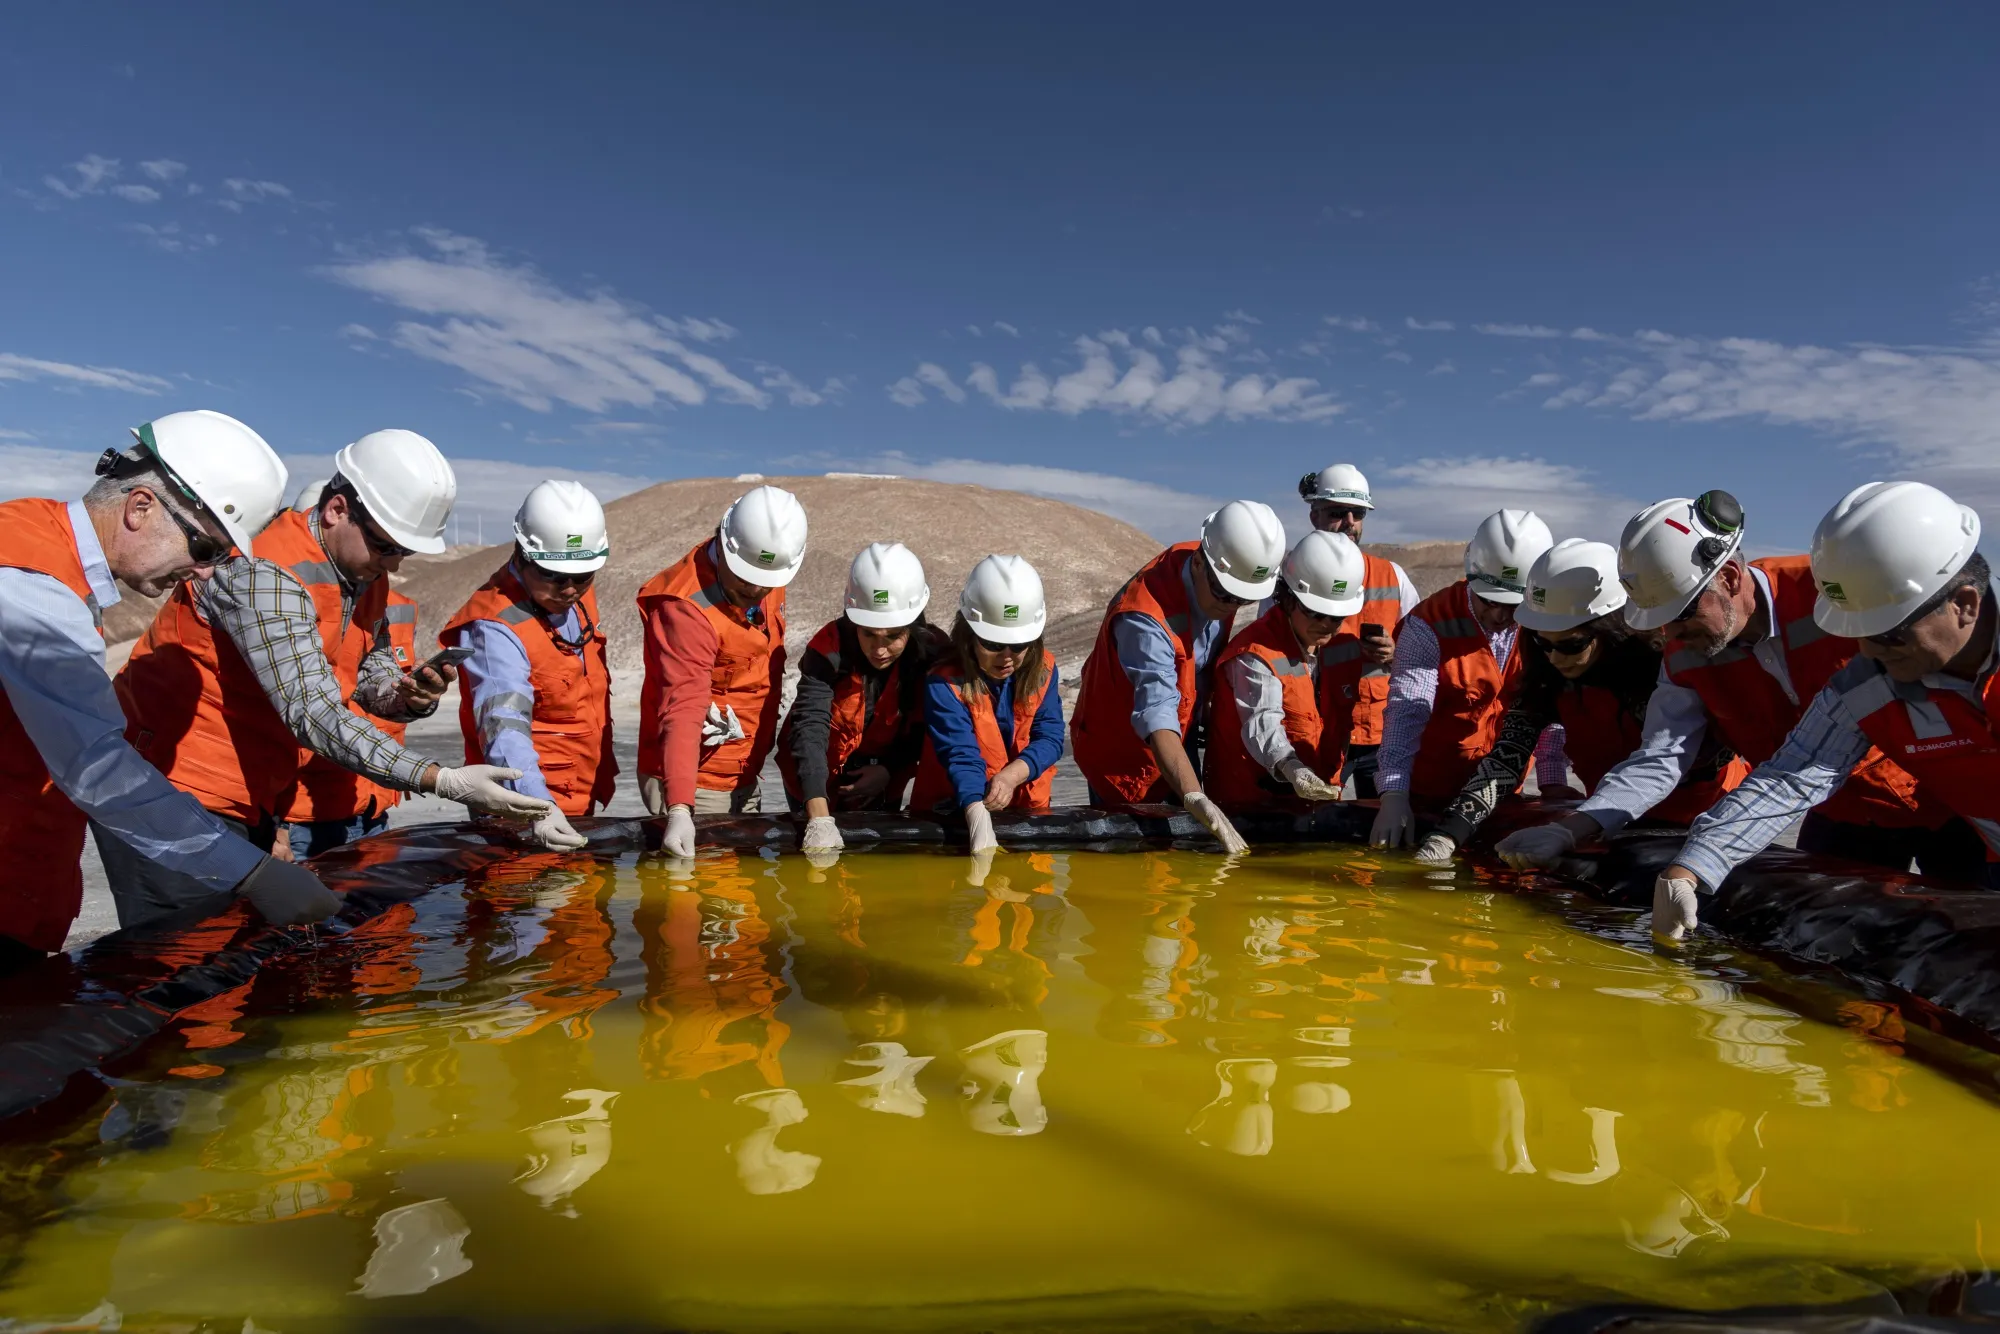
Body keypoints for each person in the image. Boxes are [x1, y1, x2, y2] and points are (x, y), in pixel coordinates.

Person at [113, 429, 552, 925]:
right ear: (336, 510)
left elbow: (368, 668)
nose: (394, 563)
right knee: (181, 951)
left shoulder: (364, 576)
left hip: (250, 793)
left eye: (404, 552)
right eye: (386, 546)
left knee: (241, 949)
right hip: (172, 785)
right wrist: (442, 779)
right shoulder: (262, 572)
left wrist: (404, 696)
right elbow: (312, 711)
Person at [0, 411, 346, 963]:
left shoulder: (40, 546)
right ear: (141, 507)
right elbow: (97, 768)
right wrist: (251, 874)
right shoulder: (31, 585)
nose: (206, 572)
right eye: (206, 548)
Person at [1489, 491, 1958, 881]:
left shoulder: (1835, 594)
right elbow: (1660, 757)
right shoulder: (1684, 653)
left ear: (1730, 577)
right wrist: (1572, 827)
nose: (1670, 634)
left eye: (1680, 615)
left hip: (1948, 801)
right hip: (1837, 814)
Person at [1651, 482, 1996, 941]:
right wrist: (1693, 866)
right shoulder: (1869, 680)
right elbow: (1794, 773)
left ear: (1965, 605)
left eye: (1887, 634)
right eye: (1857, 633)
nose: (1868, 652)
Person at [1412, 540, 1747, 865]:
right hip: (1609, 820)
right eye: (1543, 643)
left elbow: (1665, 760)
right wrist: (1449, 834)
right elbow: (1507, 757)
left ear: (1610, 629)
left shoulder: (1664, 673)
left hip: (1706, 819)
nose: (1556, 657)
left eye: (1571, 645)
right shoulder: (1547, 677)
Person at [1073, 500, 1287, 855]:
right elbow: (1156, 711)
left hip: (1178, 728)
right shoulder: (1144, 618)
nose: (1232, 607)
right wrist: (1194, 795)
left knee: (1184, 849)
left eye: (1243, 600)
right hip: (1119, 747)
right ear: (1200, 563)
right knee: (1130, 854)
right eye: (1226, 596)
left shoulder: (1224, 569)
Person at [441, 481, 618, 853]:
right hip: (524, 809)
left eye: (583, 577)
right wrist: (538, 808)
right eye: (554, 575)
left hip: (580, 791)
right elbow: (503, 727)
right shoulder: (494, 627)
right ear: (522, 555)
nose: (569, 589)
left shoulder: (574, 595)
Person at [638, 484, 806, 856]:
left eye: (767, 582)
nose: (757, 590)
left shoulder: (764, 572)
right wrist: (680, 807)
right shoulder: (684, 608)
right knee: (704, 880)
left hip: (743, 769)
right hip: (696, 779)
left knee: (741, 885)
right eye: (746, 580)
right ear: (726, 545)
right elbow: (682, 708)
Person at [1370, 508, 1554, 848]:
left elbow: (1551, 712)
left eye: (1513, 604)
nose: (1500, 614)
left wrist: (1553, 787)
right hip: (1430, 791)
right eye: (1489, 600)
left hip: (1499, 793)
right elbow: (1406, 712)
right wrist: (1394, 794)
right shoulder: (1429, 624)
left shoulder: (1544, 623)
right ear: (1471, 576)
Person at [783, 542, 942, 854]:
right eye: (868, 633)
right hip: (814, 776)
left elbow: (930, 728)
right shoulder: (828, 649)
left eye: (893, 636)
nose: (879, 650)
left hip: (885, 775)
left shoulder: (932, 654)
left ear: (913, 625)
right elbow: (809, 726)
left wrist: (889, 771)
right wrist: (819, 816)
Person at [1204, 530, 1371, 812]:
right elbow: (1262, 722)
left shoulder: (1342, 647)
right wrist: (1291, 767)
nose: (1327, 625)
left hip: (1317, 804)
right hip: (1252, 808)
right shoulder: (1256, 653)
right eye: (1316, 612)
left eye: (1337, 617)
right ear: (1289, 599)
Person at [911, 556, 1065, 855]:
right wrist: (977, 815)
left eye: (1018, 645)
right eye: (993, 644)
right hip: (952, 814)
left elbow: (1050, 736)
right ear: (969, 635)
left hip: (1027, 816)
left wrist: (1011, 776)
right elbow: (960, 752)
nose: (1006, 656)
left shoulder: (1044, 669)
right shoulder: (943, 682)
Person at [1296, 463, 1422, 797]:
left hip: (1381, 733)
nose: (1350, 522)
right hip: (1317, 730)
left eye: (1358, 513)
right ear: (1315, 515)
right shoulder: (1290, 576)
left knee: (1383, 816)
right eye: (1337, 512)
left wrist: (1395, 653)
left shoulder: (1392, 575)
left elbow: (1423, 651)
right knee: (1315, 817)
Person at [281, 586, 419, 859]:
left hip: (373, 808)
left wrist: (415, 697)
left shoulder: (398, 605)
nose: (392, 565)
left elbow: (378, 685)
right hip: (301, 816)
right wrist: (275, 822)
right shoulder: (291, 594)